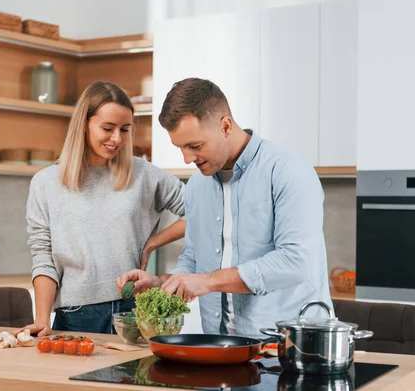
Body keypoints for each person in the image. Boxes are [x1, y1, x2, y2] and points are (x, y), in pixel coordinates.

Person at [117, 77, 332, 337]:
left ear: (226, 126)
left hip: (289, 347)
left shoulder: (288, 171)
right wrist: (164, 282)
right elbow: (193, 259)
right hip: (222, 345)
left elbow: (297, 262)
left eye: (195, 146)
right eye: (180, 148)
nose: (187, 159)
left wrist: (206, 282)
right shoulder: (198, 186)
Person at [16, 81, 186, 337]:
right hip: (75, 317)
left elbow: (204, 214)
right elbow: (43, 257)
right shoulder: (46, 183)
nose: (117, 138)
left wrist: (153, 242)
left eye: (125, 129)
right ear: (84, 123)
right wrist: (42, 319)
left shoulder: (143, 174)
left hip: (134, 313)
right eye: (108, 128)